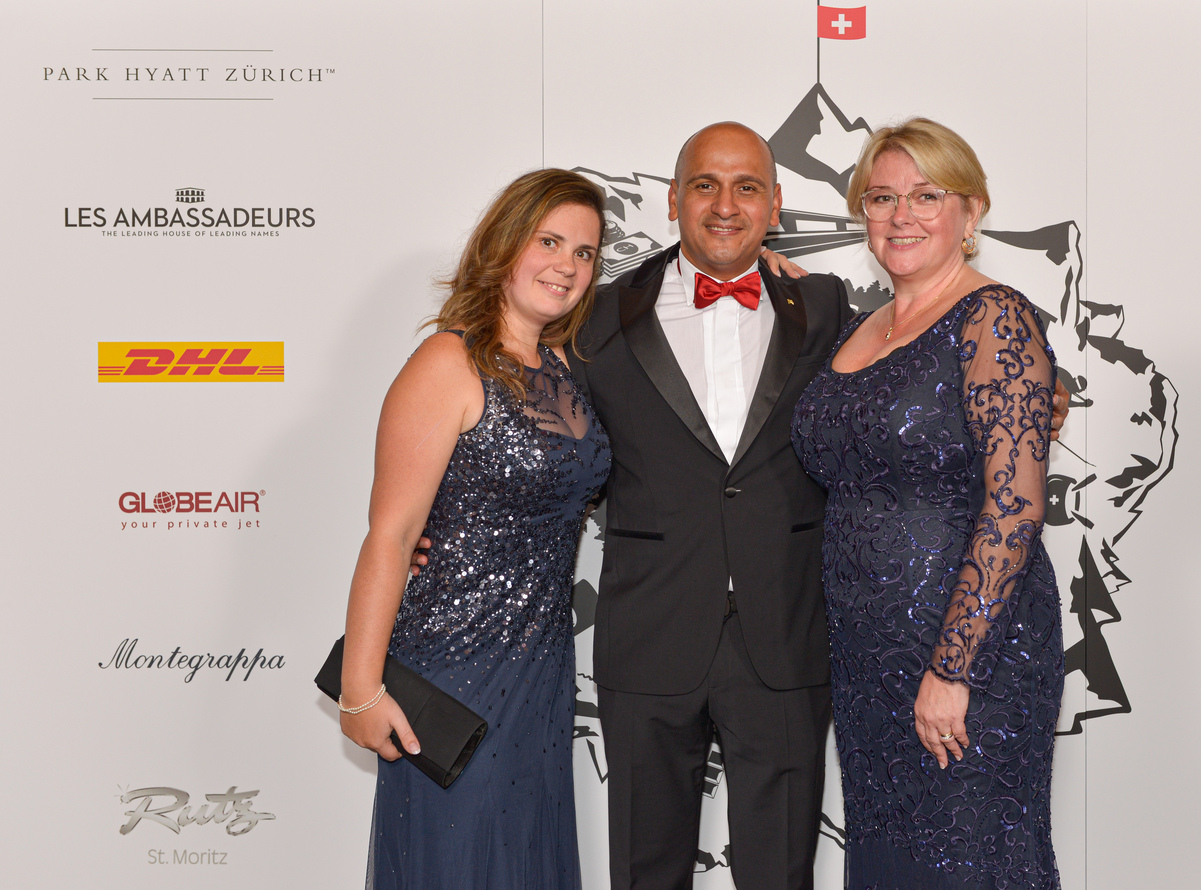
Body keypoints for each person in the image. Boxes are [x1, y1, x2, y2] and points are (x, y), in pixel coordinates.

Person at [572, 122, 855, 890]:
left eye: (747, 187)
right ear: (673, 199)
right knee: (646, 872)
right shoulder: (596, 315)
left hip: (786, 637)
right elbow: (522, 413)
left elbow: (910, 377)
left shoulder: (825, 306)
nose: (725, 205)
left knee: (780, 875)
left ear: (775, 205)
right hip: (649, 635)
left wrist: (1035, 387)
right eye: (705, 185)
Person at [790, 118, 1063, 889]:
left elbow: (1014, 509)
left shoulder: (995, 318)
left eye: (926, 195)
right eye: (881, 197)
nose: (900, 214)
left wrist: (953, 667)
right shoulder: (860, 327)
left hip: (970, 657)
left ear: (970, 214)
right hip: (867, 663)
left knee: (967, 862)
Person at [337, 168, 611, 889]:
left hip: (540, 672)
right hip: (455, 668)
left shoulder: (563, 366)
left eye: (584, 252)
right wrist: (360, 688)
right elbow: (392, 535)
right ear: (503, 243)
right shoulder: (447, 361)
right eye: (548, 241)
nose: (567, 265)